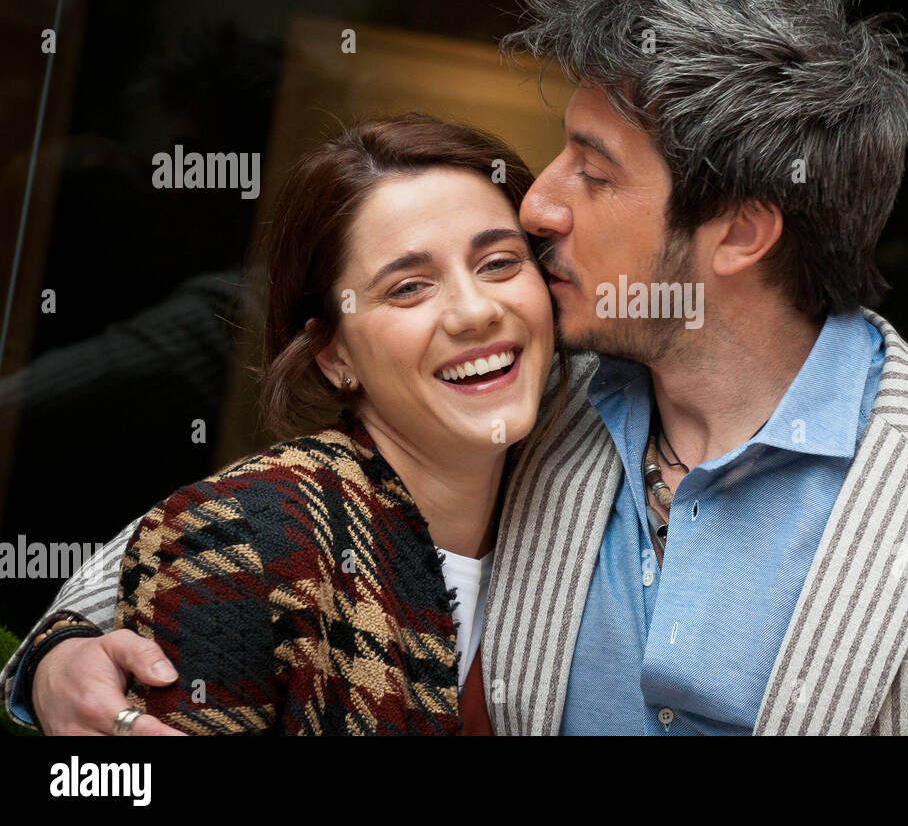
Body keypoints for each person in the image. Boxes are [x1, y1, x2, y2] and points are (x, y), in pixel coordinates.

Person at [5, 0, 908, 736]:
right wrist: (59, 660)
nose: (539, 201)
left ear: (741, 231)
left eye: (592, 171)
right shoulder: (532, 402)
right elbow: (217, 543)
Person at [3, 113, 558, 734]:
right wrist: (52, 656)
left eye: (500, 263)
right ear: (334, 354)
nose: (475, 312)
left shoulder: (597, 459)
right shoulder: (251, 543)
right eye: (407, 288)